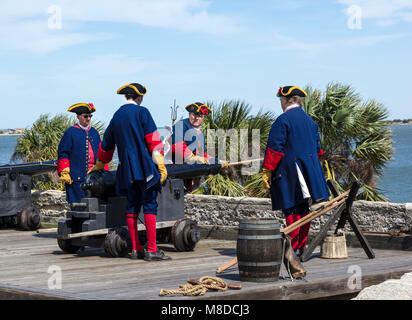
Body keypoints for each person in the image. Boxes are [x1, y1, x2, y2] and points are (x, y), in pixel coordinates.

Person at [88, 83, 170, 261]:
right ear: (139, 97)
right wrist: (161, 164)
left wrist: (100, 164)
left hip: (126, 170)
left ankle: (136, 249)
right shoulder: (142, 112)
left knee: (131, 206)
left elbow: (106, 146)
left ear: (126, 97)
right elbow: (153, 141)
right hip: (145, 166)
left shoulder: (116, 116)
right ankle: (152, 249)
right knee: (149, 205)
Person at [262, 86, 330, 257]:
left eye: (281, 101)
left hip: (291, 172)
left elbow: (275, 150)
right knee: (304, 210)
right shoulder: (311, 122)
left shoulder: (282, 120)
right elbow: (318, 151)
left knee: (291, 208)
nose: (281, 104)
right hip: (310, 173)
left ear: (285, 100)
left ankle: (291, 248)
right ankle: (301, 246)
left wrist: (267, 170)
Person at [57, 103, 108, 204]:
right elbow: (63, 153)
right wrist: (64, 171)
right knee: (77, 207)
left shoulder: (94, 132)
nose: (88, 118)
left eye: (90, 116)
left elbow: (100, 154)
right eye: (85, 116)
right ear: (78, 117)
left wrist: (104, 170)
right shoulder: (70, 132)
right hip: (76, 179)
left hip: (94, 178)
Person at [168, 102, 214, 192]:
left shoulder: (200, 132)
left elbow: (200, 153)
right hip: (174, 171)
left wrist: (214, 160)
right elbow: (177, 147)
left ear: (203, 118)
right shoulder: (181, 125)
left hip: (188, 174)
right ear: (189, 114)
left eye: (200, 116)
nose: (197, 118)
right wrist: (192, 158)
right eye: (194, 115)